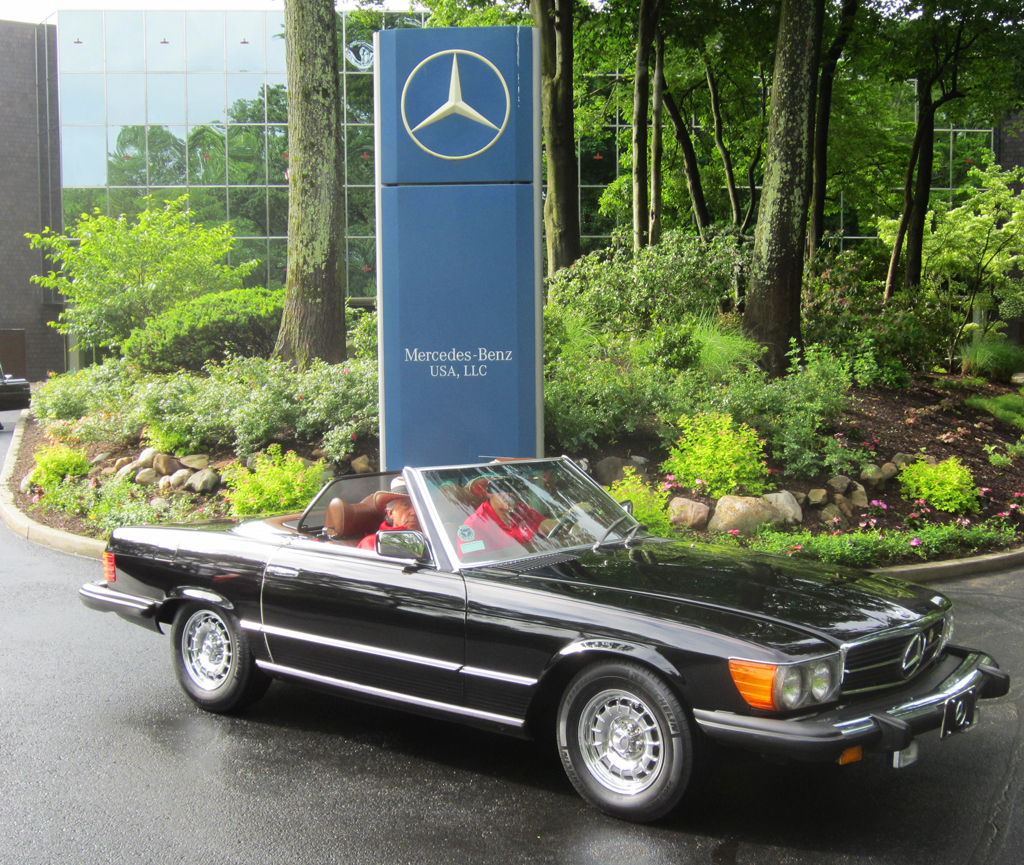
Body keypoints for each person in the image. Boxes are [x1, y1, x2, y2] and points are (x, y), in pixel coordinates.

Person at [456, 480, 556, 557]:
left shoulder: (522, 510)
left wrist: (569, 520)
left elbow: (550, 525)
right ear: (489, 492)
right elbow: (475, 570)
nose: (510, 494)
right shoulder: (473, 526)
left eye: (513, 488)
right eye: (502, 488)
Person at [357, 479, 420, 551]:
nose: (414, 512)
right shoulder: (373, 543)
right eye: (406, 505)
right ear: (390, 513)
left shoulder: (431, 538)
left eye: (418, 506)